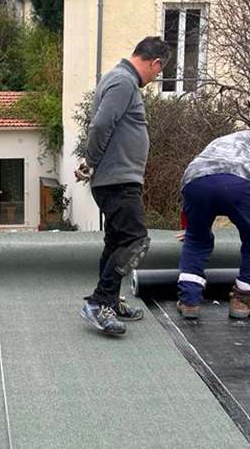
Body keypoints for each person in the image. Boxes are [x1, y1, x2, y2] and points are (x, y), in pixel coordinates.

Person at [75, 37, 173, 335]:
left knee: (117, 240)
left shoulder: (118, 79)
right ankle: (98, 302)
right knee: (135, 241)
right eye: (159, 72)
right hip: (116, 179)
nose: (156, 77)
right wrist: (90, 161)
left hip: (116, 179)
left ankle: (110, 301)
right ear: (154, 63)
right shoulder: (123, 82)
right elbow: (101, 124)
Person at [176, 130, 250, 320]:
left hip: (195, 182)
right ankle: (245, 298)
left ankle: (189, 300)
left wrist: (190, 228)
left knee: (197, 239)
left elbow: (207, 189)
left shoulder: (220, 142)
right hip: (241, 180)